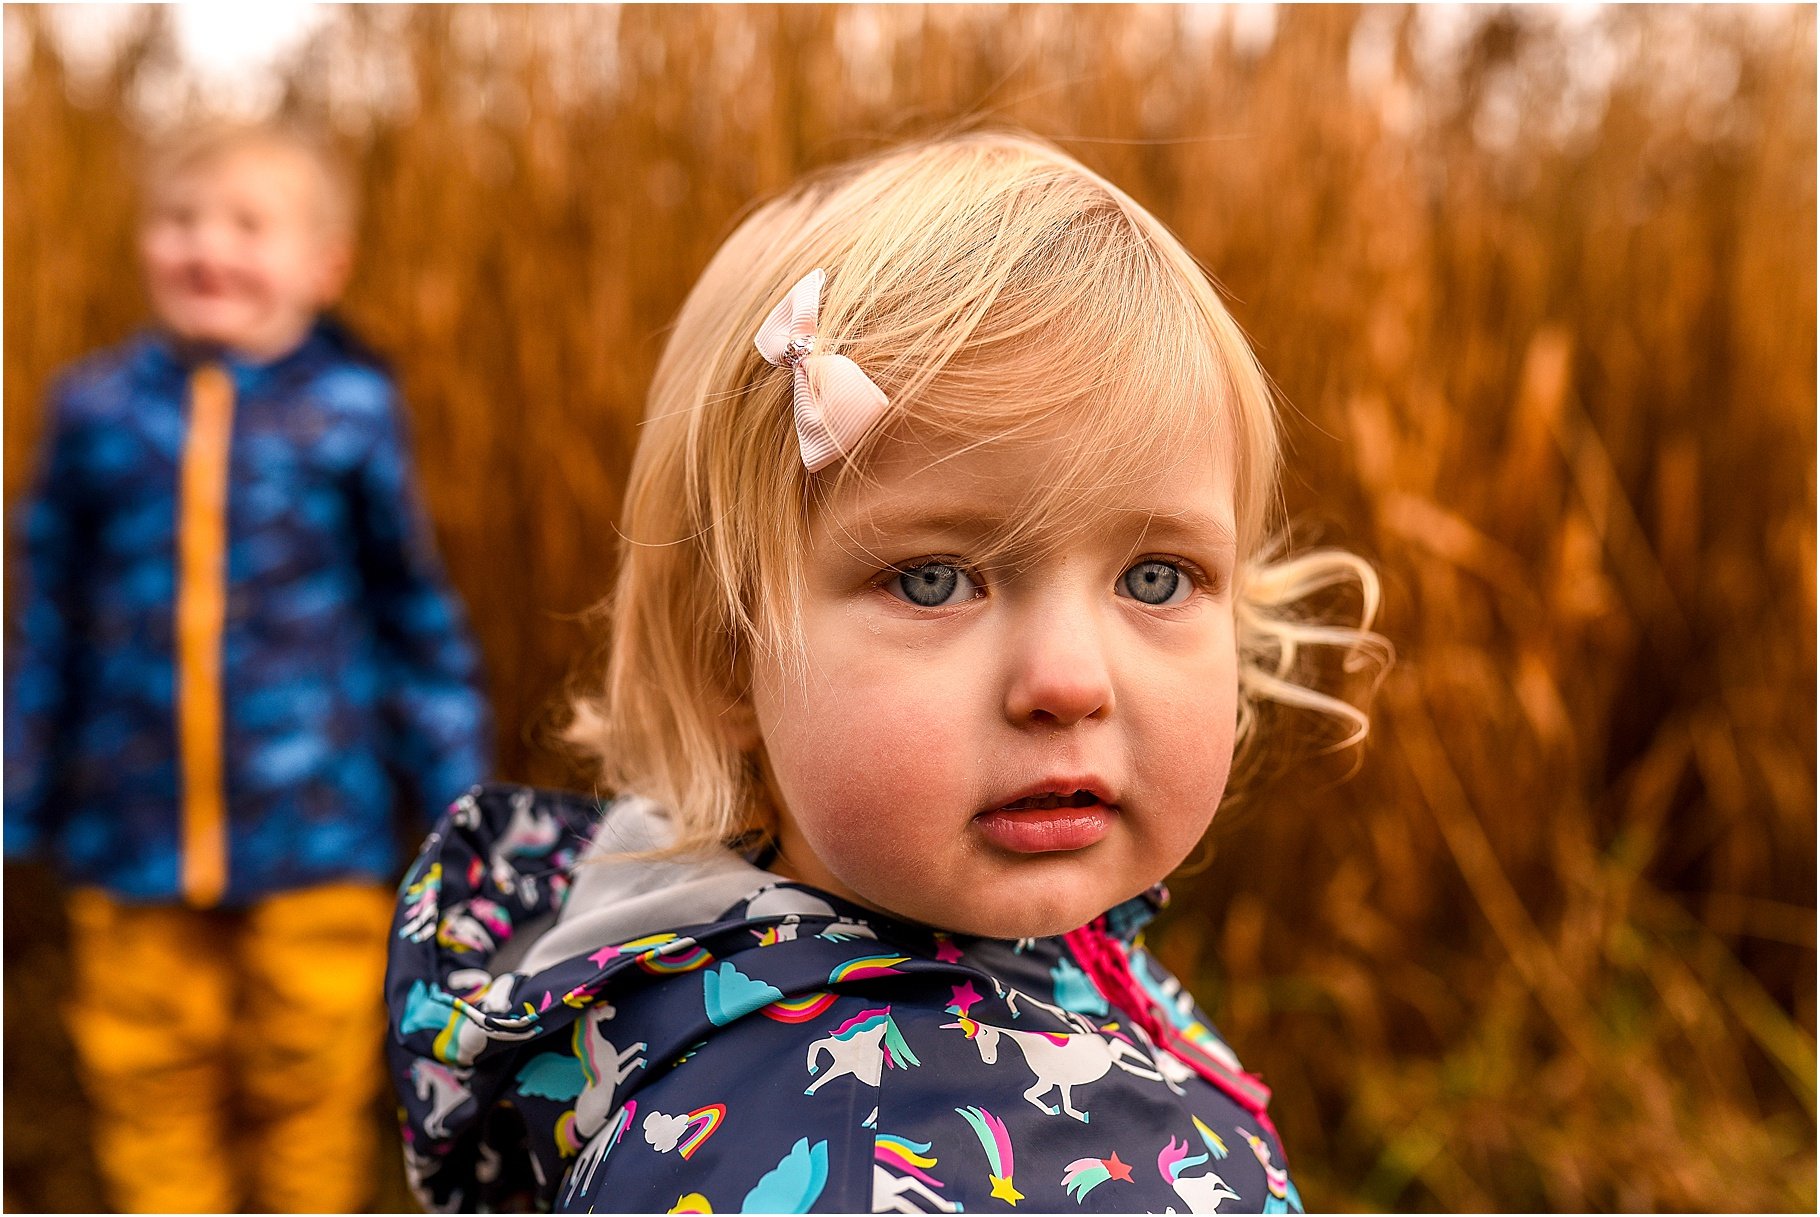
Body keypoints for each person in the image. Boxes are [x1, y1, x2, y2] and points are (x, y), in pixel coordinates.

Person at [385, 132, 1380, 1213]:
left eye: (1152, 576)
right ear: (729, 649)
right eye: (934, 581)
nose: (1068, 680)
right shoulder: (844, 1151)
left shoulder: (1004, 949)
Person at [5, 121, 493, 1213]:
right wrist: (20, 783)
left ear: (325, 265)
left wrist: (458, 791)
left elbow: (410, 610)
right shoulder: (94, 412)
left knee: (308, 1071)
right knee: (142, 1068)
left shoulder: (352, 414)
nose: (206, 248)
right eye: (179, 221)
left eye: (246, 226)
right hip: (129, 827)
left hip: (315, 827)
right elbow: (44, 609)